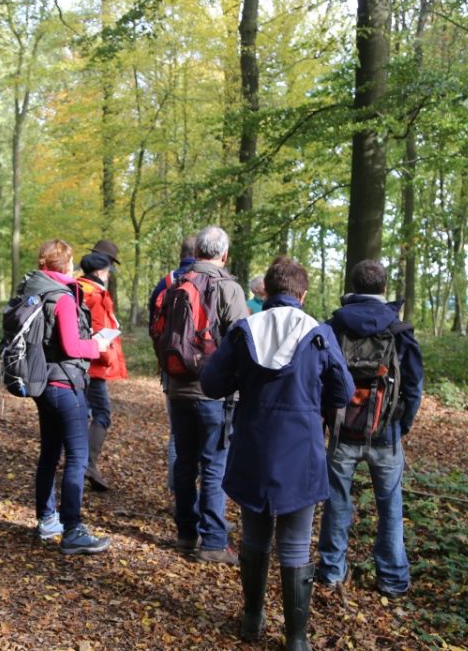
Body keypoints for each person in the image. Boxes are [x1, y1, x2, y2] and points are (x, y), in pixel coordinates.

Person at [201, 256, 354, 648]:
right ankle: (296, 639)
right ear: (302, 294)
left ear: (266, 291)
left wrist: (242, 377)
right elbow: (343, 393)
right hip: (300, 448)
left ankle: (252, 620)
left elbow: (212, 383)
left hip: (253, 444)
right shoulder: (319, 333)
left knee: (254, 536)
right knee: (297, 542)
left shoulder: (243, 330)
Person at [316, 259, 424, 600]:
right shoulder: (400, 331)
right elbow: (414, 387)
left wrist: (327, 422)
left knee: (336, 502)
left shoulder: (333, 327)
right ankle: (392, 579)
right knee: (390, 505)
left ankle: (331, 571)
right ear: (384, 289)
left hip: (343, 430)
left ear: (352, 286)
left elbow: (319, 380)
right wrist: (399, 426)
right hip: (386, 433)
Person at [161, 226, 249, 564]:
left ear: (197, 251)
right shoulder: (228, 288)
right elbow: (242, 342)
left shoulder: (174, 286)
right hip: (214, 393)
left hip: (177, 388)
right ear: (223, 255)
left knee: (185, 461)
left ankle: (186, 534)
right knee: (213, 465)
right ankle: (213, 541)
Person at [21, 239, 113, 555]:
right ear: (67, 263)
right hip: (64, 384)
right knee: (77, 456)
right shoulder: (61, 297)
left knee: (49, 452)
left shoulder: (35, 289)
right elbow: (73, 346)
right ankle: (72, 529)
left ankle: (47, 520)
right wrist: (97, 347)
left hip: (42, 382)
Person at [76, 246, 128, 491]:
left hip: (77, 364)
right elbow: (98, 331)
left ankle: (81, 463)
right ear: (99, 271)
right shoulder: (95, 296)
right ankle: (87, 463)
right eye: (107, 271)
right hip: (93, 365)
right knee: (102, 414)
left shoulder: (76, 288)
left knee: (82, 414)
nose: (109, 275)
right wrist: (107, 358)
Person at [148, 234, 196, 491]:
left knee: (178, 432)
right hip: (204, 371)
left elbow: (152, 326)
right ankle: (205, 506)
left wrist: (162, 360)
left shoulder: (164, 283)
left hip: (171, 368)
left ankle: (178, 492)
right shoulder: (210, 280)